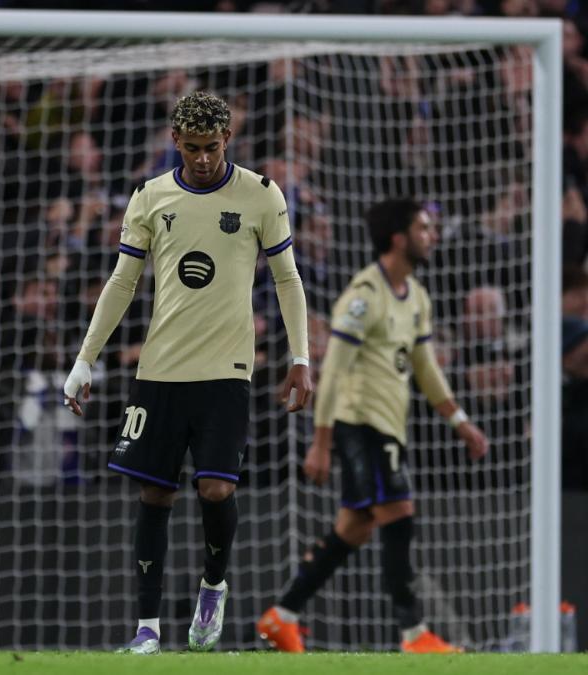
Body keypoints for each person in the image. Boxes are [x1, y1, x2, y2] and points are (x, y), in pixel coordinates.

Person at [62, 92, 312, 654]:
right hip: (160, 369)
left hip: (227, 370)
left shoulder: (260, 194)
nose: (203, 158)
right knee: (154, 497)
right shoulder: (151, 197)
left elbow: (288, 280)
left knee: (218, 488)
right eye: (193, 147)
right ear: (176, 141)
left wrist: (300, 357)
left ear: (229, 140)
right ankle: (147, 629)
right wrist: (84, 361)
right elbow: (123, 283)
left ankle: (213, 587)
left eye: (213, 147)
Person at [256, 198, 488, 654]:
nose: (432, 235)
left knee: (355, 527)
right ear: (399, 238)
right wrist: (320, 443)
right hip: (357, 423)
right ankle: (414, 633)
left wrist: (459, 420)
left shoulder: (417, 296)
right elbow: (335, 370)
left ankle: (281, 616)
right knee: (398, 515)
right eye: (424, 228)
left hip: (387, 425)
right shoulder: (364, 295)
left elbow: (425, 367)